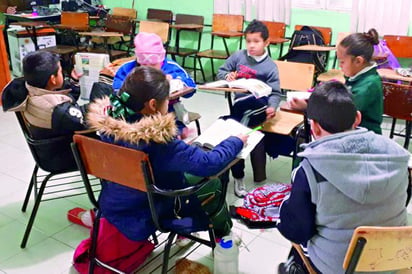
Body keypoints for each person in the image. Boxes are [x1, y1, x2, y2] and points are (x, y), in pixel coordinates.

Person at [86, 66, 248, 242]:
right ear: (153, 104)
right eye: (167, 100)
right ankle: (223, 234)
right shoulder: (158, 142)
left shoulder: (109, 125)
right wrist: (235, 141)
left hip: (114, 201)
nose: (168, 104)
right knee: (214, 182)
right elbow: (209, 164)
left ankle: (188, 235)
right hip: (152, 208)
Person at [277, 81, 409, 274]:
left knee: (295, 232)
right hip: (391, 261)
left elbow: (297, 230)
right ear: (357, 118)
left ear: (314, 127)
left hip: (339, 267)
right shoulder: (398, 155)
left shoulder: (310, 169)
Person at [216, 19, 281, 197]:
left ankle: (237, 174)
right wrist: (227, 76)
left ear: (266, 42)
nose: (251, 46)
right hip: (241, 105)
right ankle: (238, 176)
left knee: (235, 128)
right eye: (248, 41)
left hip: (260, 106)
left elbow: (276, 93)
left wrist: (272, 107)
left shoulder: (270, 67)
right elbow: (221, 71)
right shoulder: (239, 56)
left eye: (256, 41)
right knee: (240, 126)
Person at [290, 28, 383, 134]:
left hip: (364, 137)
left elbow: (340, 114)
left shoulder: (369, 85)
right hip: (349, 131)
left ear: (358, 61)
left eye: (342, 62)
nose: (339, 65)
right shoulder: (357, 76)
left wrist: (308, 107)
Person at [113, 32, 196, 136]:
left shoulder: (171, 67)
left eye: (153, 64)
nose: (149, 68)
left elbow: (191, 87)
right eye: (143, 65)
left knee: (173, 129)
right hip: (135, 112)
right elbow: (116, 90)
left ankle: (178, 130)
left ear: (161, 59)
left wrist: (176, 83)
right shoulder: (127, 68)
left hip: (166, 111)